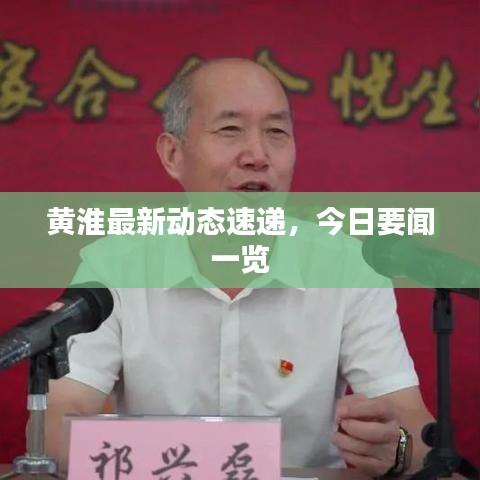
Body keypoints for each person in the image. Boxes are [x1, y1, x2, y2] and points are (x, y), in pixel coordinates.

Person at [44, 58, 434, 475]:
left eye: (276, 132)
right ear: (173, 154)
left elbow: (413, 424)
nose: (258, 155)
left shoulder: (348, 268)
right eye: (230, 130)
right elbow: (62, 417)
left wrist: (397, 448)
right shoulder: (114, 267)